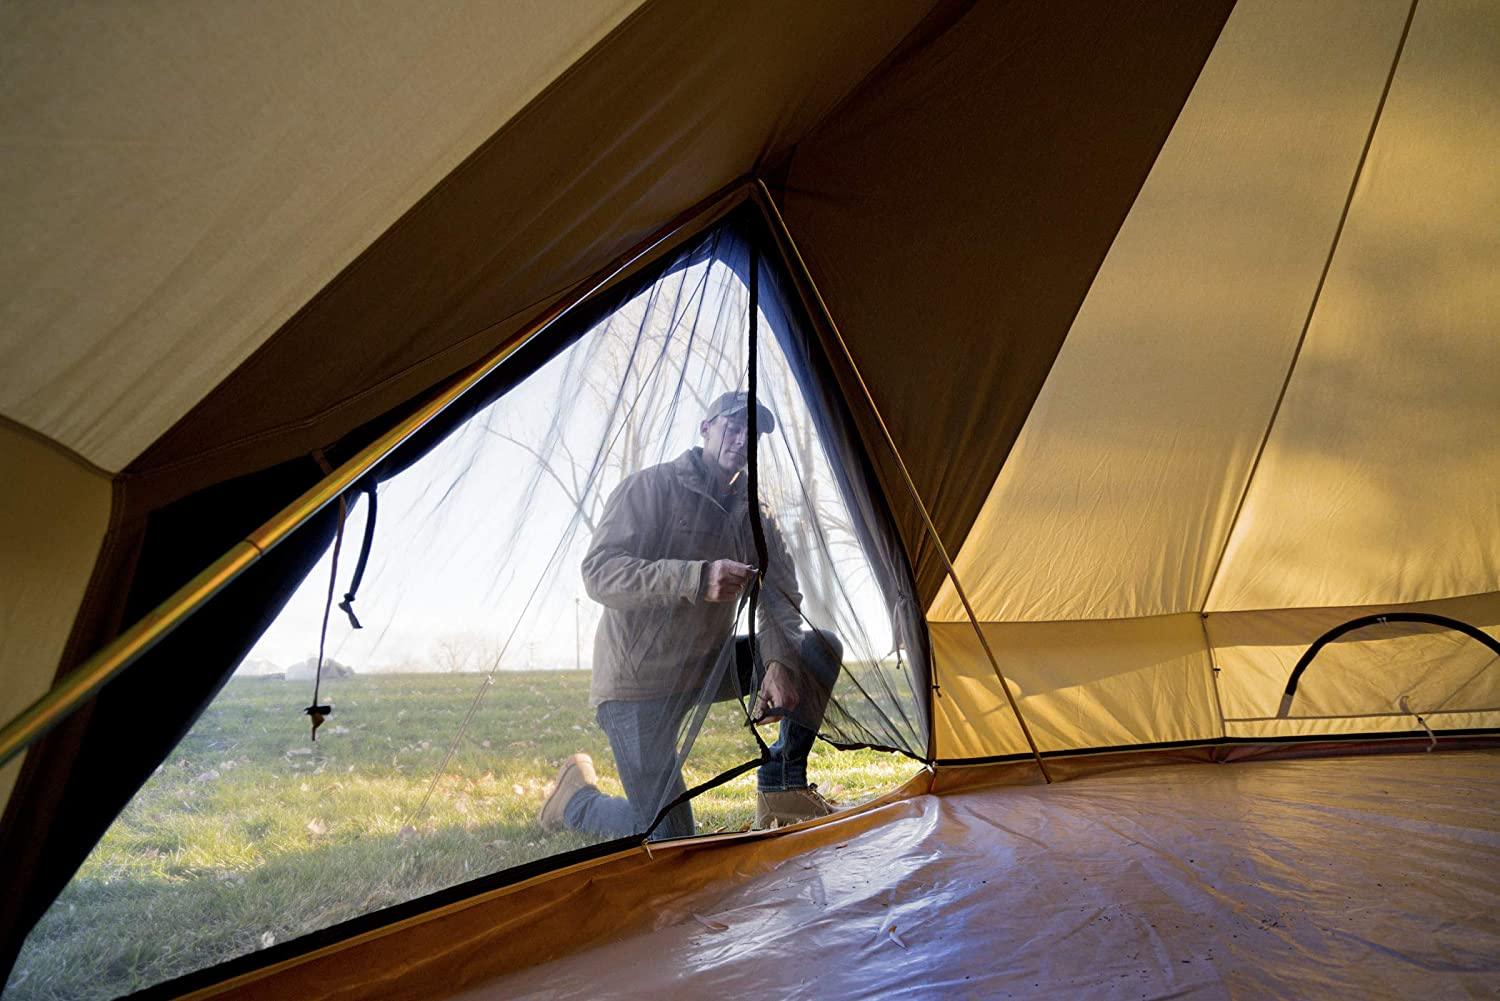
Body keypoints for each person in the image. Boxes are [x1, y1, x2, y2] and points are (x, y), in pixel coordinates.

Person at [539, 391, 842, 840]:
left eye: (752, 434)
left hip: (707, 666)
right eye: (732, 427)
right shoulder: (650, 488)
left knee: (817, 649)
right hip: (637, 683)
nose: (741, 440)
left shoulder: (756, 513)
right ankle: (575, 802)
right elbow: (599, 573)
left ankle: (782, 788)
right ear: (706, 428)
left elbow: (779, 596)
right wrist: (695, 578)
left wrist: (779, 664)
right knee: (671, 837)